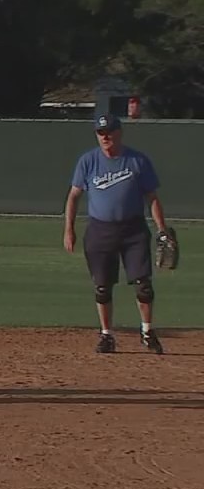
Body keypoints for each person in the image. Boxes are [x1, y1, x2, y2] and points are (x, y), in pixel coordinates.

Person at [63, 114, 171, 355]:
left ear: (119, 133)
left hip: (133, 229)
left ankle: (147, 331)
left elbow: (152, 198)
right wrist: (69, 229)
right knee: (102, 287)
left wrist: (162, 229)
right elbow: (73, 196)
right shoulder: (88, 161)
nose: (106, 137)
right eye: (101, 133)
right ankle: (106, 335)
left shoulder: (137, 161)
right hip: (100, 230)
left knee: (144, 285)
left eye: (110, 132)